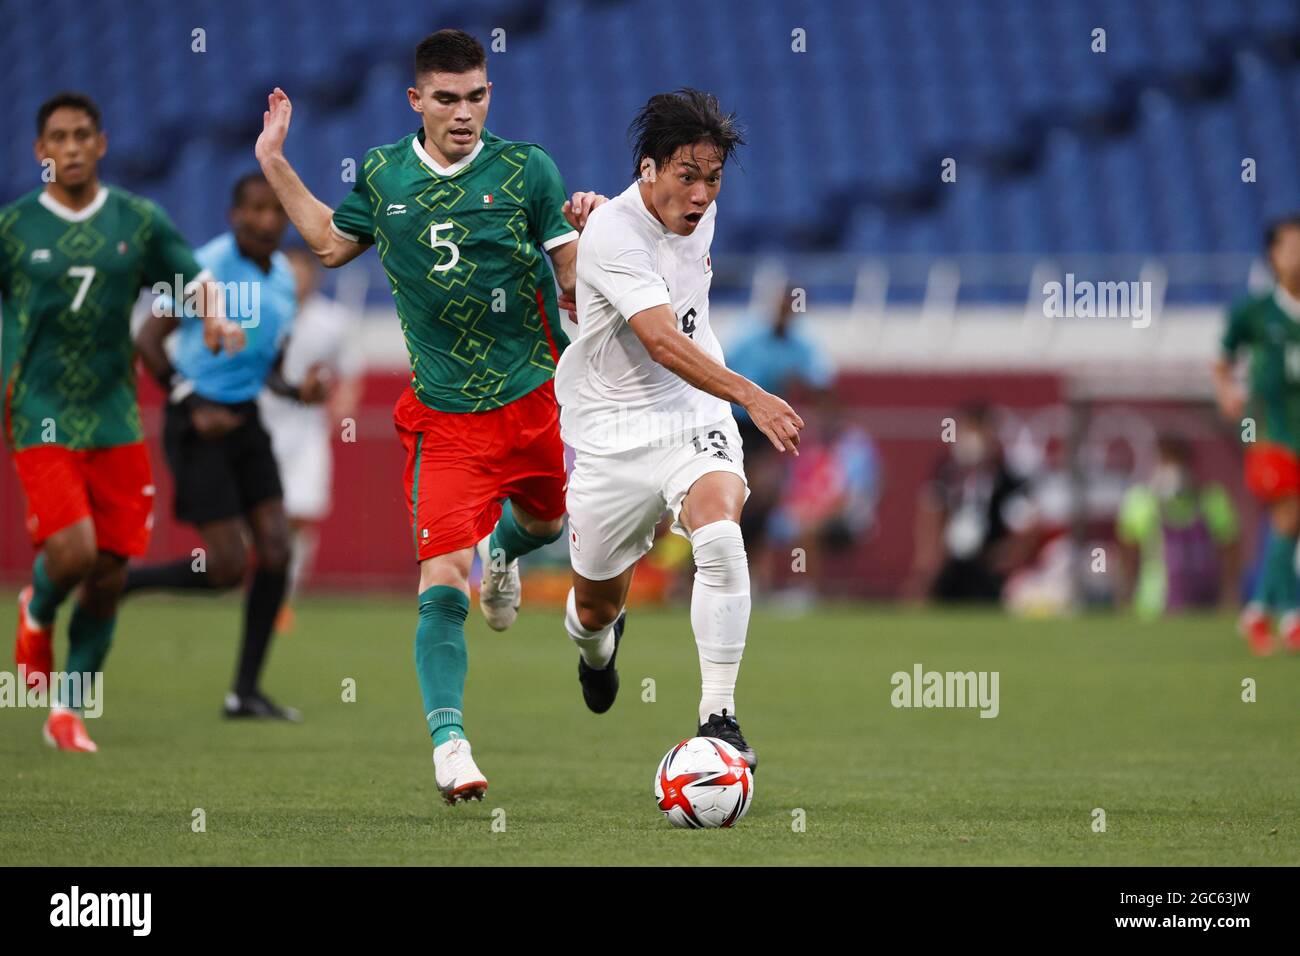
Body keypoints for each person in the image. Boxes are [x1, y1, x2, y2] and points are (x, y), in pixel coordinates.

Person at [254, 29, 605, 804]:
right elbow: (326, 241)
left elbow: (572, 273)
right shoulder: (383, 176)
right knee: (441, 575)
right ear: (416, 100)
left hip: (532, 399)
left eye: (476, 95)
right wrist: (275, 161)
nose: (463, 112)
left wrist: (594, 241)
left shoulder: (527, 169)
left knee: (546, 527)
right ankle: (450, 744)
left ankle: (505, 557)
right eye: (446, 98)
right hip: (444, 419)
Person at [555, 88, 804, 772]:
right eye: (685, 176)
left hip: (692, 412)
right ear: (648, 170)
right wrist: (752, 394)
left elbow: (678, 332)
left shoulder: (698, 214)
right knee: (595, 606)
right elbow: (661, 340)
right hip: (612, 435)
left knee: (721, 537)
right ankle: (596, 645)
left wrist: (728, 400)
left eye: (712, 179)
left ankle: (718, 720)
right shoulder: (609, 234)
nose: (699, 195)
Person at [4, 92, 240, 751]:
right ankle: (39, 606)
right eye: (59, 137)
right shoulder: (15, 228)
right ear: (40, 151)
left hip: (114, 417)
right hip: (40, 411)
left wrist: (214, 316)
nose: (72, 147)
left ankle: (67, 712)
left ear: (101, 144)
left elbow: (193, 277)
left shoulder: (136, 220)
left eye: (83, 135)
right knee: (74, 552)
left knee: (109, 574)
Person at [125, 172, 326, 719]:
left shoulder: (285, 277)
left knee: (279, 551)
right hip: (196, 423)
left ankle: (245, 692)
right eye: (253, 210)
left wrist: (299, 391)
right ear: (232, 215)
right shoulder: (202, 266)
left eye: (273, 211)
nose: (264, 220)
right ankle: (123, 582)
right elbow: (147, 338)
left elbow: (272, 369)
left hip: (245, 418)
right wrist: (191, 402)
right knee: (225, 568)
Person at [258, 246, 365, 629]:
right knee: (261, 516)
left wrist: (344, 403)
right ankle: (261, 588)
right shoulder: (260, 314)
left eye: (300, 270)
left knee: (300, 513)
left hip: (306, 431)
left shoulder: (332, 321)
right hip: (261, 426)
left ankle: (283, 598)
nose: (294, 279)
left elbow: (350, 370)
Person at [1214, 214, 1300, 655]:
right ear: (1273, 255)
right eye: (1291, 246)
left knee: (1289, 524)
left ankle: (1263, 610)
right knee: (1288, 515)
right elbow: (1223, 356)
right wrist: (1228, 391)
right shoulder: (1256, 311)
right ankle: (1289, 614)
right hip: (1268, 431)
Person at [905, 403, 1036, 603]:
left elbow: (1026, 527)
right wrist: (928, 565)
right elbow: (930, 514)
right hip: (951, 565)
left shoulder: (1008, 479)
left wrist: (1003, 559)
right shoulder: (947, 474)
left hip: (987, 566)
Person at [1115, 435, 1240, 619]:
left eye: (1176, 461)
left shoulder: (1212, 499)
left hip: (1206, 604)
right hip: (1153, 605)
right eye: (1166, 461)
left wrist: (1229, 595)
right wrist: (1126, 596)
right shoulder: (1139, 501)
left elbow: (1230, 549)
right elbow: (1128, 554)